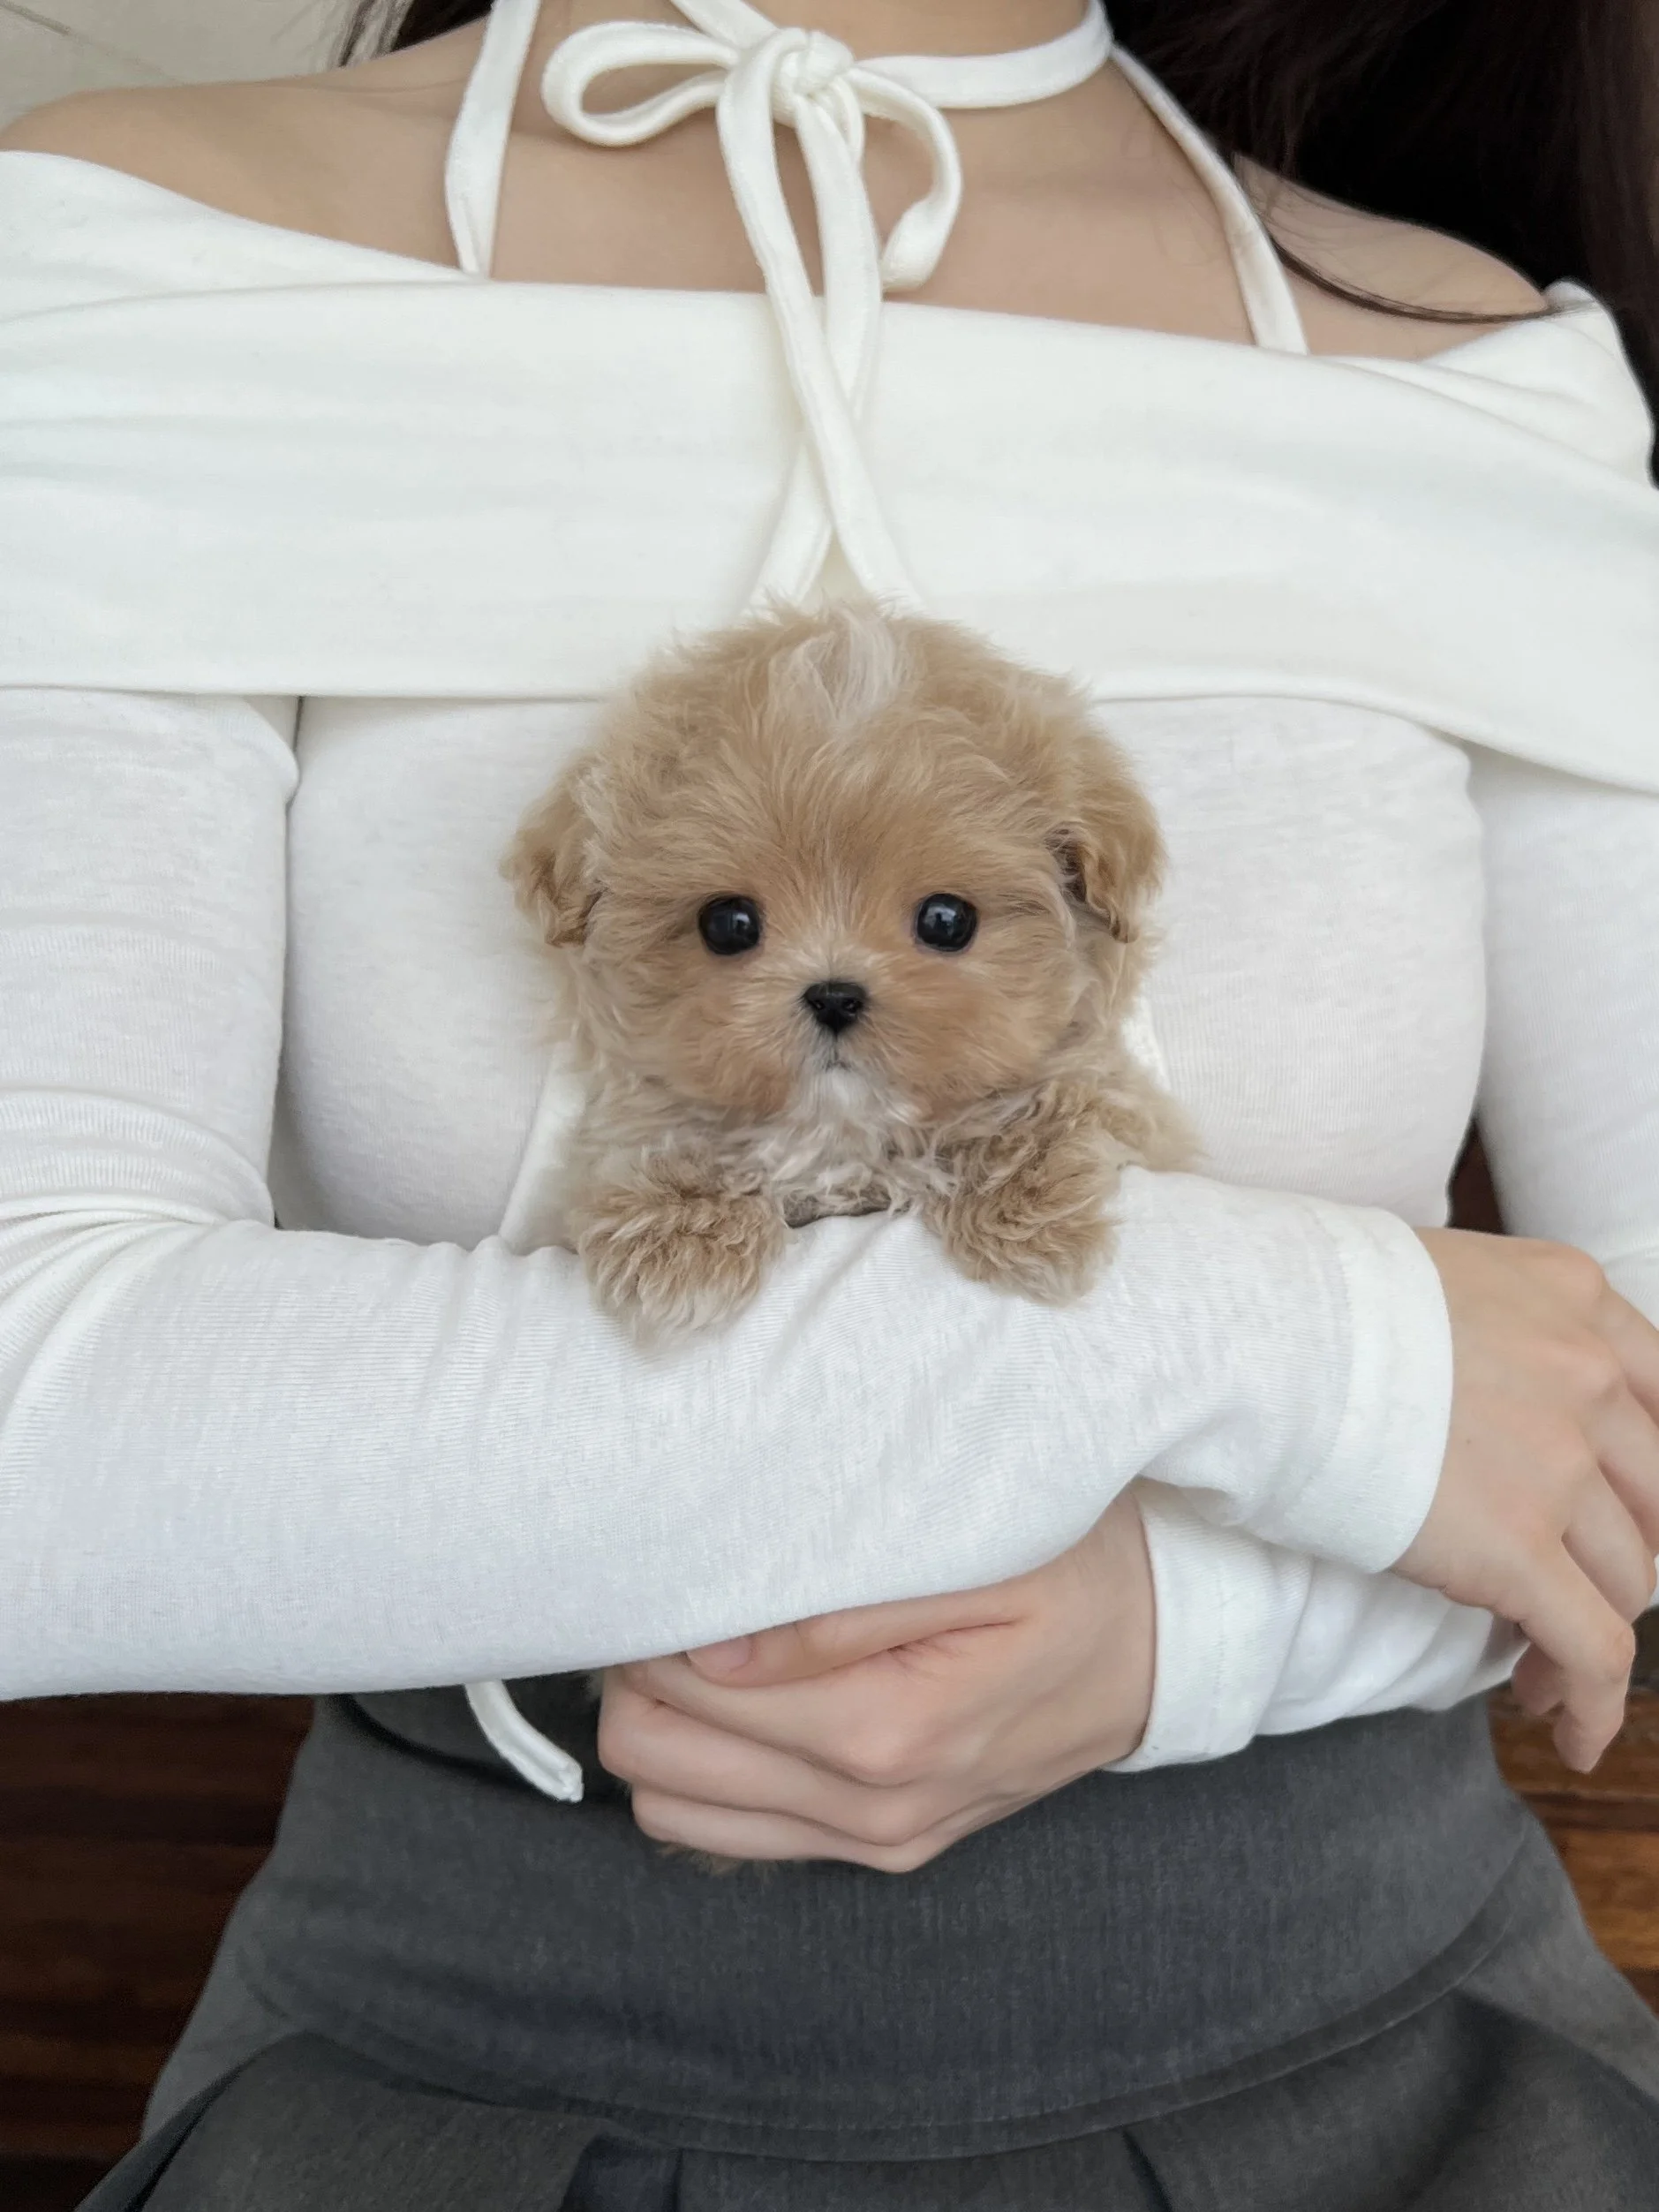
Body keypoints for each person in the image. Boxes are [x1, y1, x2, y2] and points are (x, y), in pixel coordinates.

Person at [2, 0, 1658, 2204]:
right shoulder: (146, 259)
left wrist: (1203, 1636)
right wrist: (1287, 1341)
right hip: (474, 2064)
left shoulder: (1480, 379)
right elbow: (40, 1429)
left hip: (1411, 2054)